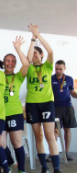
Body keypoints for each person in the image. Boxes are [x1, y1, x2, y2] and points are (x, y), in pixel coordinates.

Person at [26, 23, 61, 173]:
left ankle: (57, 168)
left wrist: (38, 35)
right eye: (32, 53)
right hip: (32, 105)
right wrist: (32, 41)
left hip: (47, 104)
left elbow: (51, 51)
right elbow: (27, 59)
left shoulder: (47, 66)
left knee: (49, 136)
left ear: (41, 55)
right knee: (38, 136)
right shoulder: (28, 69)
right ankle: (44, 168)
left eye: (36, 53)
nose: (33, 55)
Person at [0, 36, 29, 173]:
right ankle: (11, 162)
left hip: (15, 113)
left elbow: (27, 64)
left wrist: (18, 49)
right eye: (8, 60)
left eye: (13, 61)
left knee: (17, 143)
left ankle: (22, 170)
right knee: (0, 144)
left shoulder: (18, 77)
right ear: (3, 63)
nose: (10, 63)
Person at [47, 60, 77, 161]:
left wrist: (76, 94)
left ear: (64, 68)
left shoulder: (69, 79)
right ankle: (53, 153)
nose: (58, 71)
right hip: (55, 107)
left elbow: (72, 92)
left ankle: (67, 152)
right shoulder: (50, 78)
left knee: (67, 129)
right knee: (54, 131)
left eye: (60, 69)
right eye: (56, 69)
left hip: (68, 107)